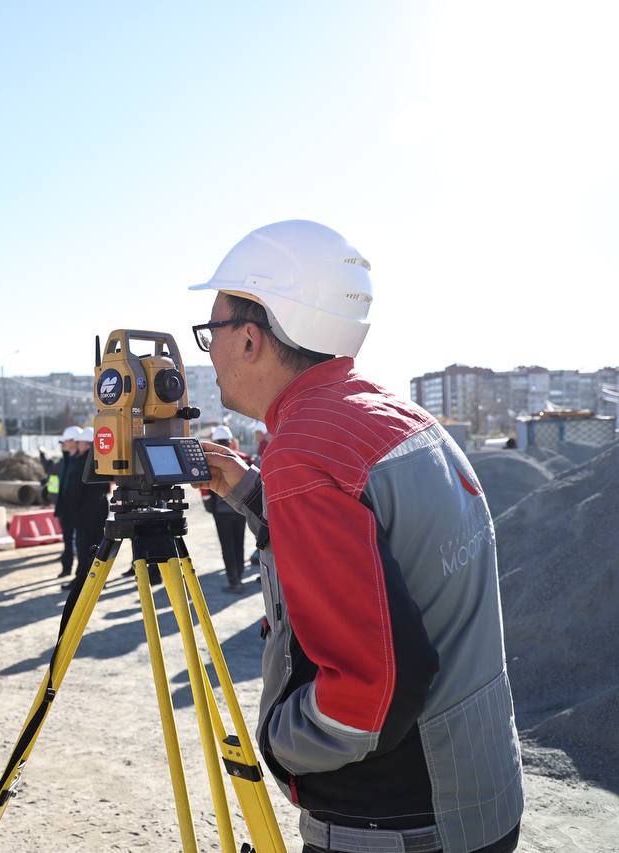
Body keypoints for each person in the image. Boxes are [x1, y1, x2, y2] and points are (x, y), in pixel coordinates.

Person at [190, 220, 522, 853]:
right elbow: (382, 546)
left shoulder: (305, 455)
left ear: (252, 338)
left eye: (212, 331)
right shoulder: (388, 417)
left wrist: (281, 743)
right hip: (478, 790)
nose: (209, 351)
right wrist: (250, 491)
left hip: (396, 822)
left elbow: (367, 693)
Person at [202, 425, 250, 593]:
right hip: (243, 509)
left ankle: (233, 579)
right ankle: (240, 575)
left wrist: (208, 503)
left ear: (214, 442)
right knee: (239, 542)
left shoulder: (209, 461)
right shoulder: (244, 457)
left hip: (221, 512)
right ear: (230, 442)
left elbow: (205, 488)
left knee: (227, 545)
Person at [64, 426, 110, 592]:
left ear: (88, 444)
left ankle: (82, 580)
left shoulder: (83, 462)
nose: (79, 445)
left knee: (85, 548)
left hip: (85, 512)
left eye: (81, 442)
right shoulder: (102, 461)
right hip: (98, 509)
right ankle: (99, 580)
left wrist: (71, 509)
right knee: (98, 546)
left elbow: (76, 490)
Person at [51, 426, 84, 578]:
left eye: (65, 441)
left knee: (80, 543)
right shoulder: (66, 459)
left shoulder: (80, 462)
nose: (62, 444)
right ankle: (66, 568)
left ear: (73, 441)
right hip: (65, 509)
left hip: (77, 510)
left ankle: (80, 572)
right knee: (67, 540)